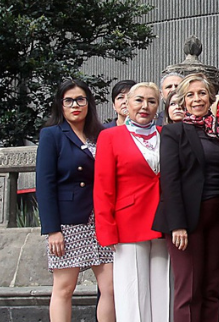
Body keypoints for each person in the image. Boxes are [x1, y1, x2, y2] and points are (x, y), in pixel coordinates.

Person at [37, 79, 115, 322]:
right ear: (60, 105)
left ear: (88, 103)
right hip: (69, 221)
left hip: (100, 218)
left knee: (111, 287)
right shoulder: (52, 135)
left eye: (80, 100)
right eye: (68, 101)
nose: (75, 106)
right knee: (64, 287)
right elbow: (45, 184)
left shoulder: (101, 134)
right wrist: (52, 230)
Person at [155, 75, 219, 322]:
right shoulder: (174, 132)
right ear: (183, 101)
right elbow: (170, 180)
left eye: (202, 93)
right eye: (190, 95)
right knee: (189, 288)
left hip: (217, 217)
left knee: (211, 286)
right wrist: (178, 225)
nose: (197, 99)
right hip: (187, 219)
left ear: (210, 97)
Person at [95, 82, 169, 322]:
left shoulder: (166, 134)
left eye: (151, 101)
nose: (145, 106)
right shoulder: (110, 136)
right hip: (129, 223)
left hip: (164, 221)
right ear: (126, 104)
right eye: (139, 100)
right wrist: (106, 230)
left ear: (158, 107)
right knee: (132, 294)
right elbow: (103, 187)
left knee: (164, 291)